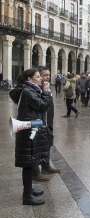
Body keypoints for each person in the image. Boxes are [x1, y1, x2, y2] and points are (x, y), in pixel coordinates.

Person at [9, 69, 51, 205]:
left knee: (31, 161)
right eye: (38, 77)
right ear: (29, 79)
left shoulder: (30, 89)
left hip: (30, 128)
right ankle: (27, 196)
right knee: (28, 164)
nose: (41, 79)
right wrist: (45, 92)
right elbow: (43, 106)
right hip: (28, 131)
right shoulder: (29, 91)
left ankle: (29, 189)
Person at [32, 66, 60, 182]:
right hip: (37, 122)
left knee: (47, 144)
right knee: (34, 147)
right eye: (44, 75)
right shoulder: (35, 89)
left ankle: (46, 166)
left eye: (48, 75)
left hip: (48, 121)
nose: (47, 77)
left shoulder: (46, 88)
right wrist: (44, 91)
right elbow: (40, 105)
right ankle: (35, 172)